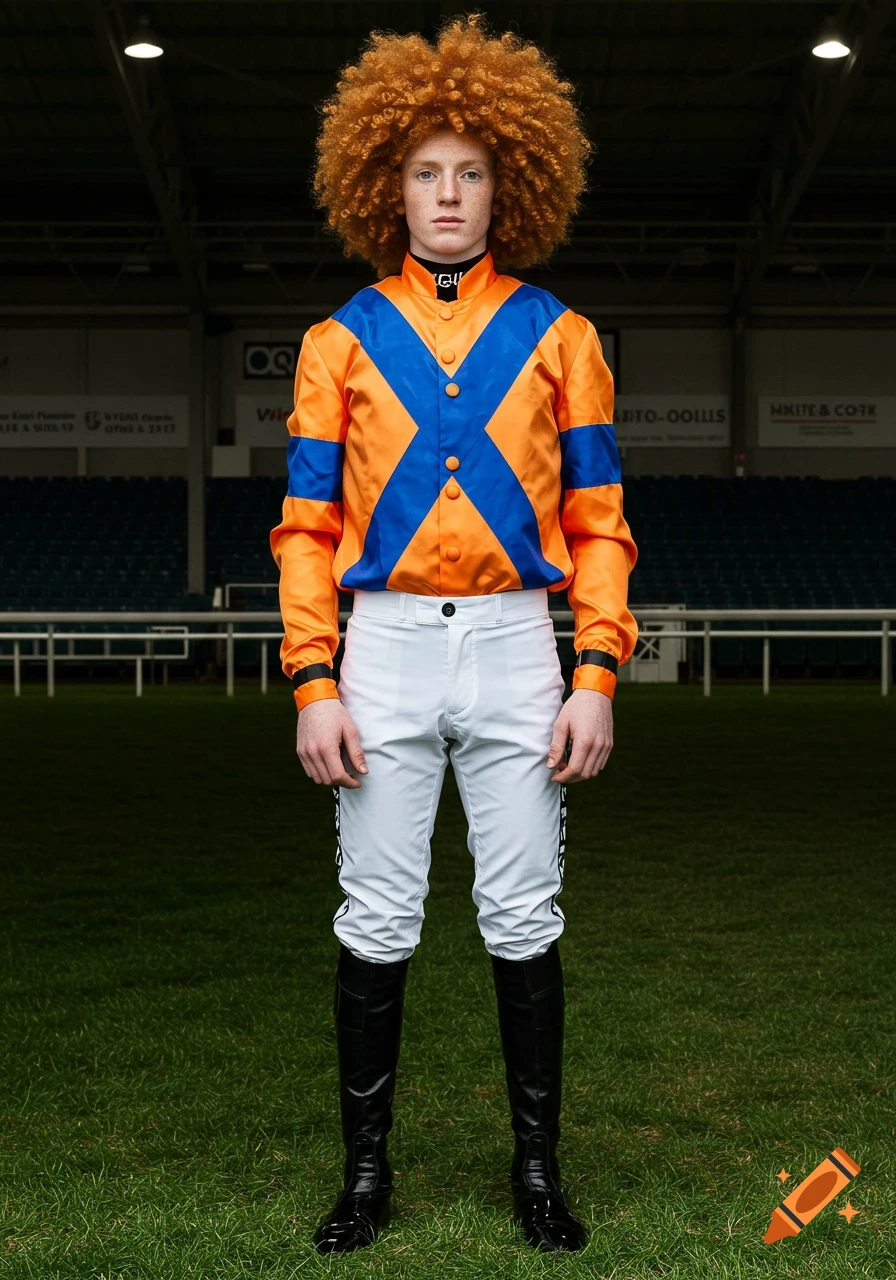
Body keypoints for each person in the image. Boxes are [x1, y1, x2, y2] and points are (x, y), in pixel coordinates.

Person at [269, 13, 638, 1256]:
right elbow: (305, 530)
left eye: (469, 171)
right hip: (377, 648)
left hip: (514, 646)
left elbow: (597, 520)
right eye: (424, 170)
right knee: (375, 915)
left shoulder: (562, 335)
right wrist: (313, 678)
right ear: (387, 184)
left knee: (523, 912)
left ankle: (536, 1172)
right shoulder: (336, 342)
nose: (446, 192)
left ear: (508, 184)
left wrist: (594, 670)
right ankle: (363, 1177)